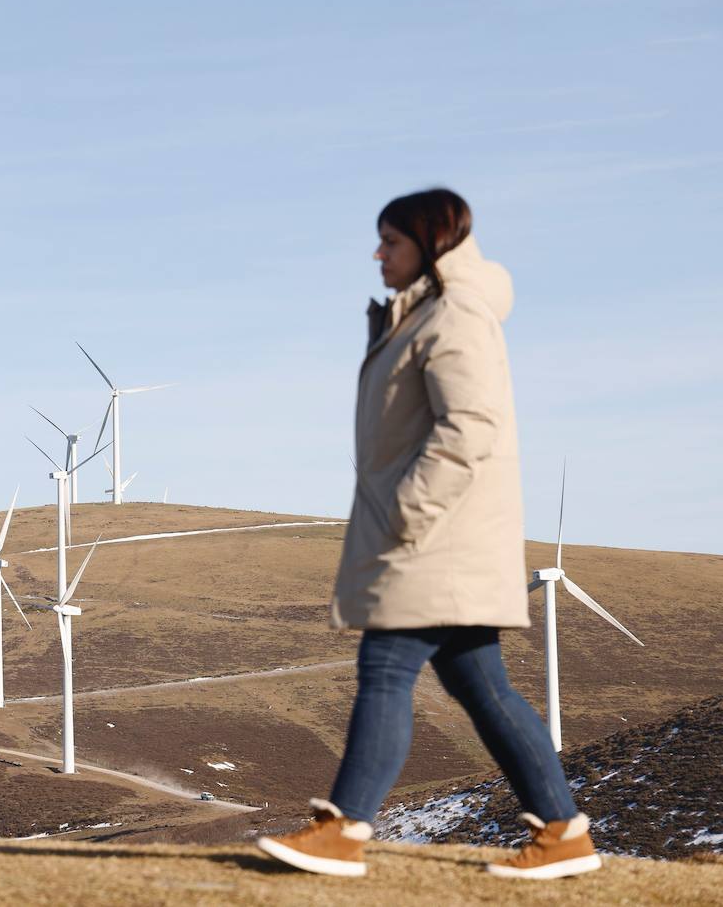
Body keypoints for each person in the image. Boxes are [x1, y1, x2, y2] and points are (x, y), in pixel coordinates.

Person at [255, 189, 601, 880]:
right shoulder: (421, 314)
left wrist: (409, 511)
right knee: (483, 687)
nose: (377, 254)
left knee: (386, 667)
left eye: (391, 241)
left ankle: (345, 829)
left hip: (437, 534)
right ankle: (563, 835)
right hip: (439, 533)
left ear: (431, 245)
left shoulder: (454, 316)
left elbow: (470, 424)